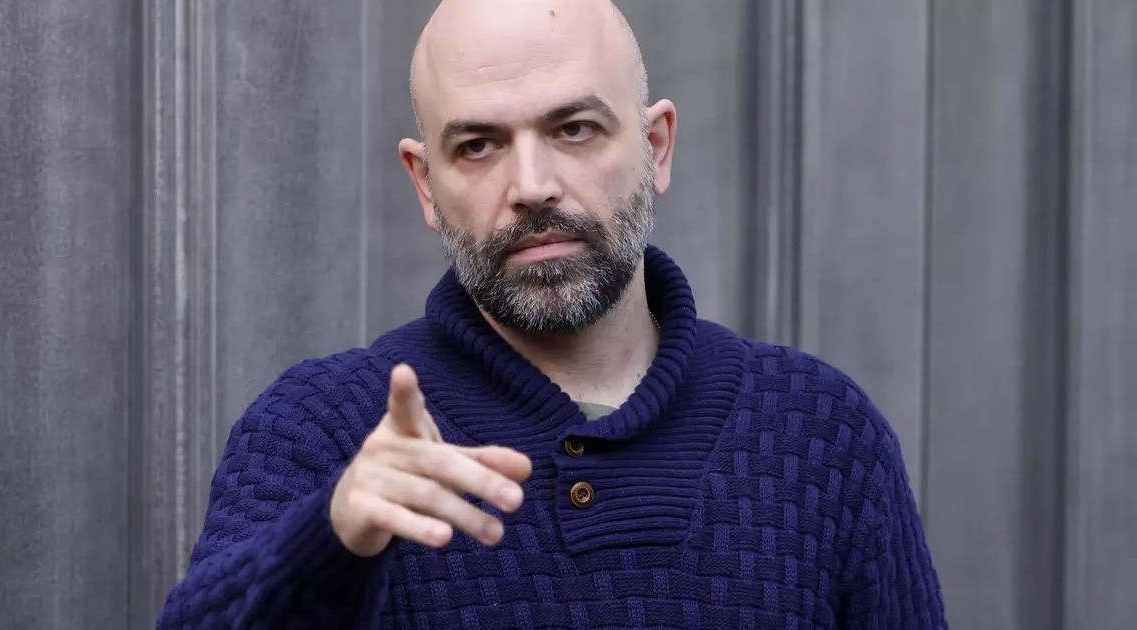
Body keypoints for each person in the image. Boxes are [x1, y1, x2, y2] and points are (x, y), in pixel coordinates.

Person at [157, 0, 946, 627]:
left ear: (657, 147)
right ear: (425, 183)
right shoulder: (320, 431)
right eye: (478, 146)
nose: (531, 185)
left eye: (573, 129)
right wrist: (329, 539)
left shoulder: (822, 435)